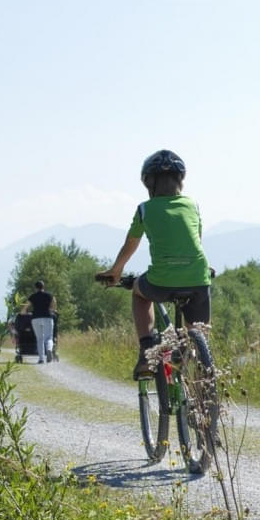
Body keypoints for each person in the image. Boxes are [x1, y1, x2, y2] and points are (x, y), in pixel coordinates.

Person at [95, 150, 213, 380]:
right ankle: (203, 392)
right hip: (198, 277)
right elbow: (195, 241)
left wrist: (115, 272)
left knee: (139, 293)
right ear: (181, 180)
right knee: (198, 334)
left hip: (161, 282)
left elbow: (130, 244)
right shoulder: (193, 206)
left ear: (149, 183)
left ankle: (147, 351)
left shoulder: (145, 209)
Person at [22, 281, 57, 362]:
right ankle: (49, 349)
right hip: (47, 317)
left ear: (35, 288)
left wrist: (23, 312)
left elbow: (25, 307)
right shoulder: (49, 295)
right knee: (48, 337)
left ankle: (41, 359)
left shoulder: (32, 296)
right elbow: (54, 304)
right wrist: (52, 310)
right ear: (43, 287)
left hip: (36, 318)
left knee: (39, 339)